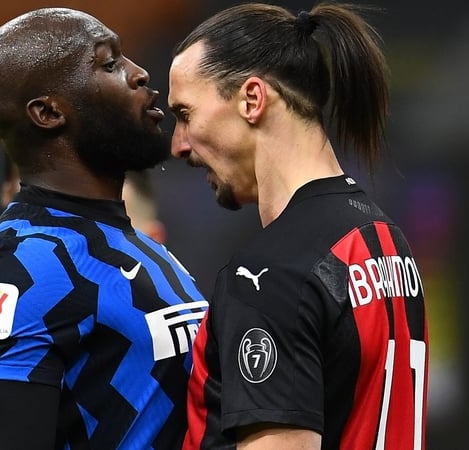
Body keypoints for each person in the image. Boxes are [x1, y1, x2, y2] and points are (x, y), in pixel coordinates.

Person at [167, 3, 429, 449]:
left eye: (185, 114)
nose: (178, 145)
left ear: (252, 100)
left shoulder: (270, 277)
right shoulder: (385, 240)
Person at [0, 8, 208, 450]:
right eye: (109, 64)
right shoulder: (19, 268)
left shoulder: (131, 241)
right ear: (49, 112)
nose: (139, 74)